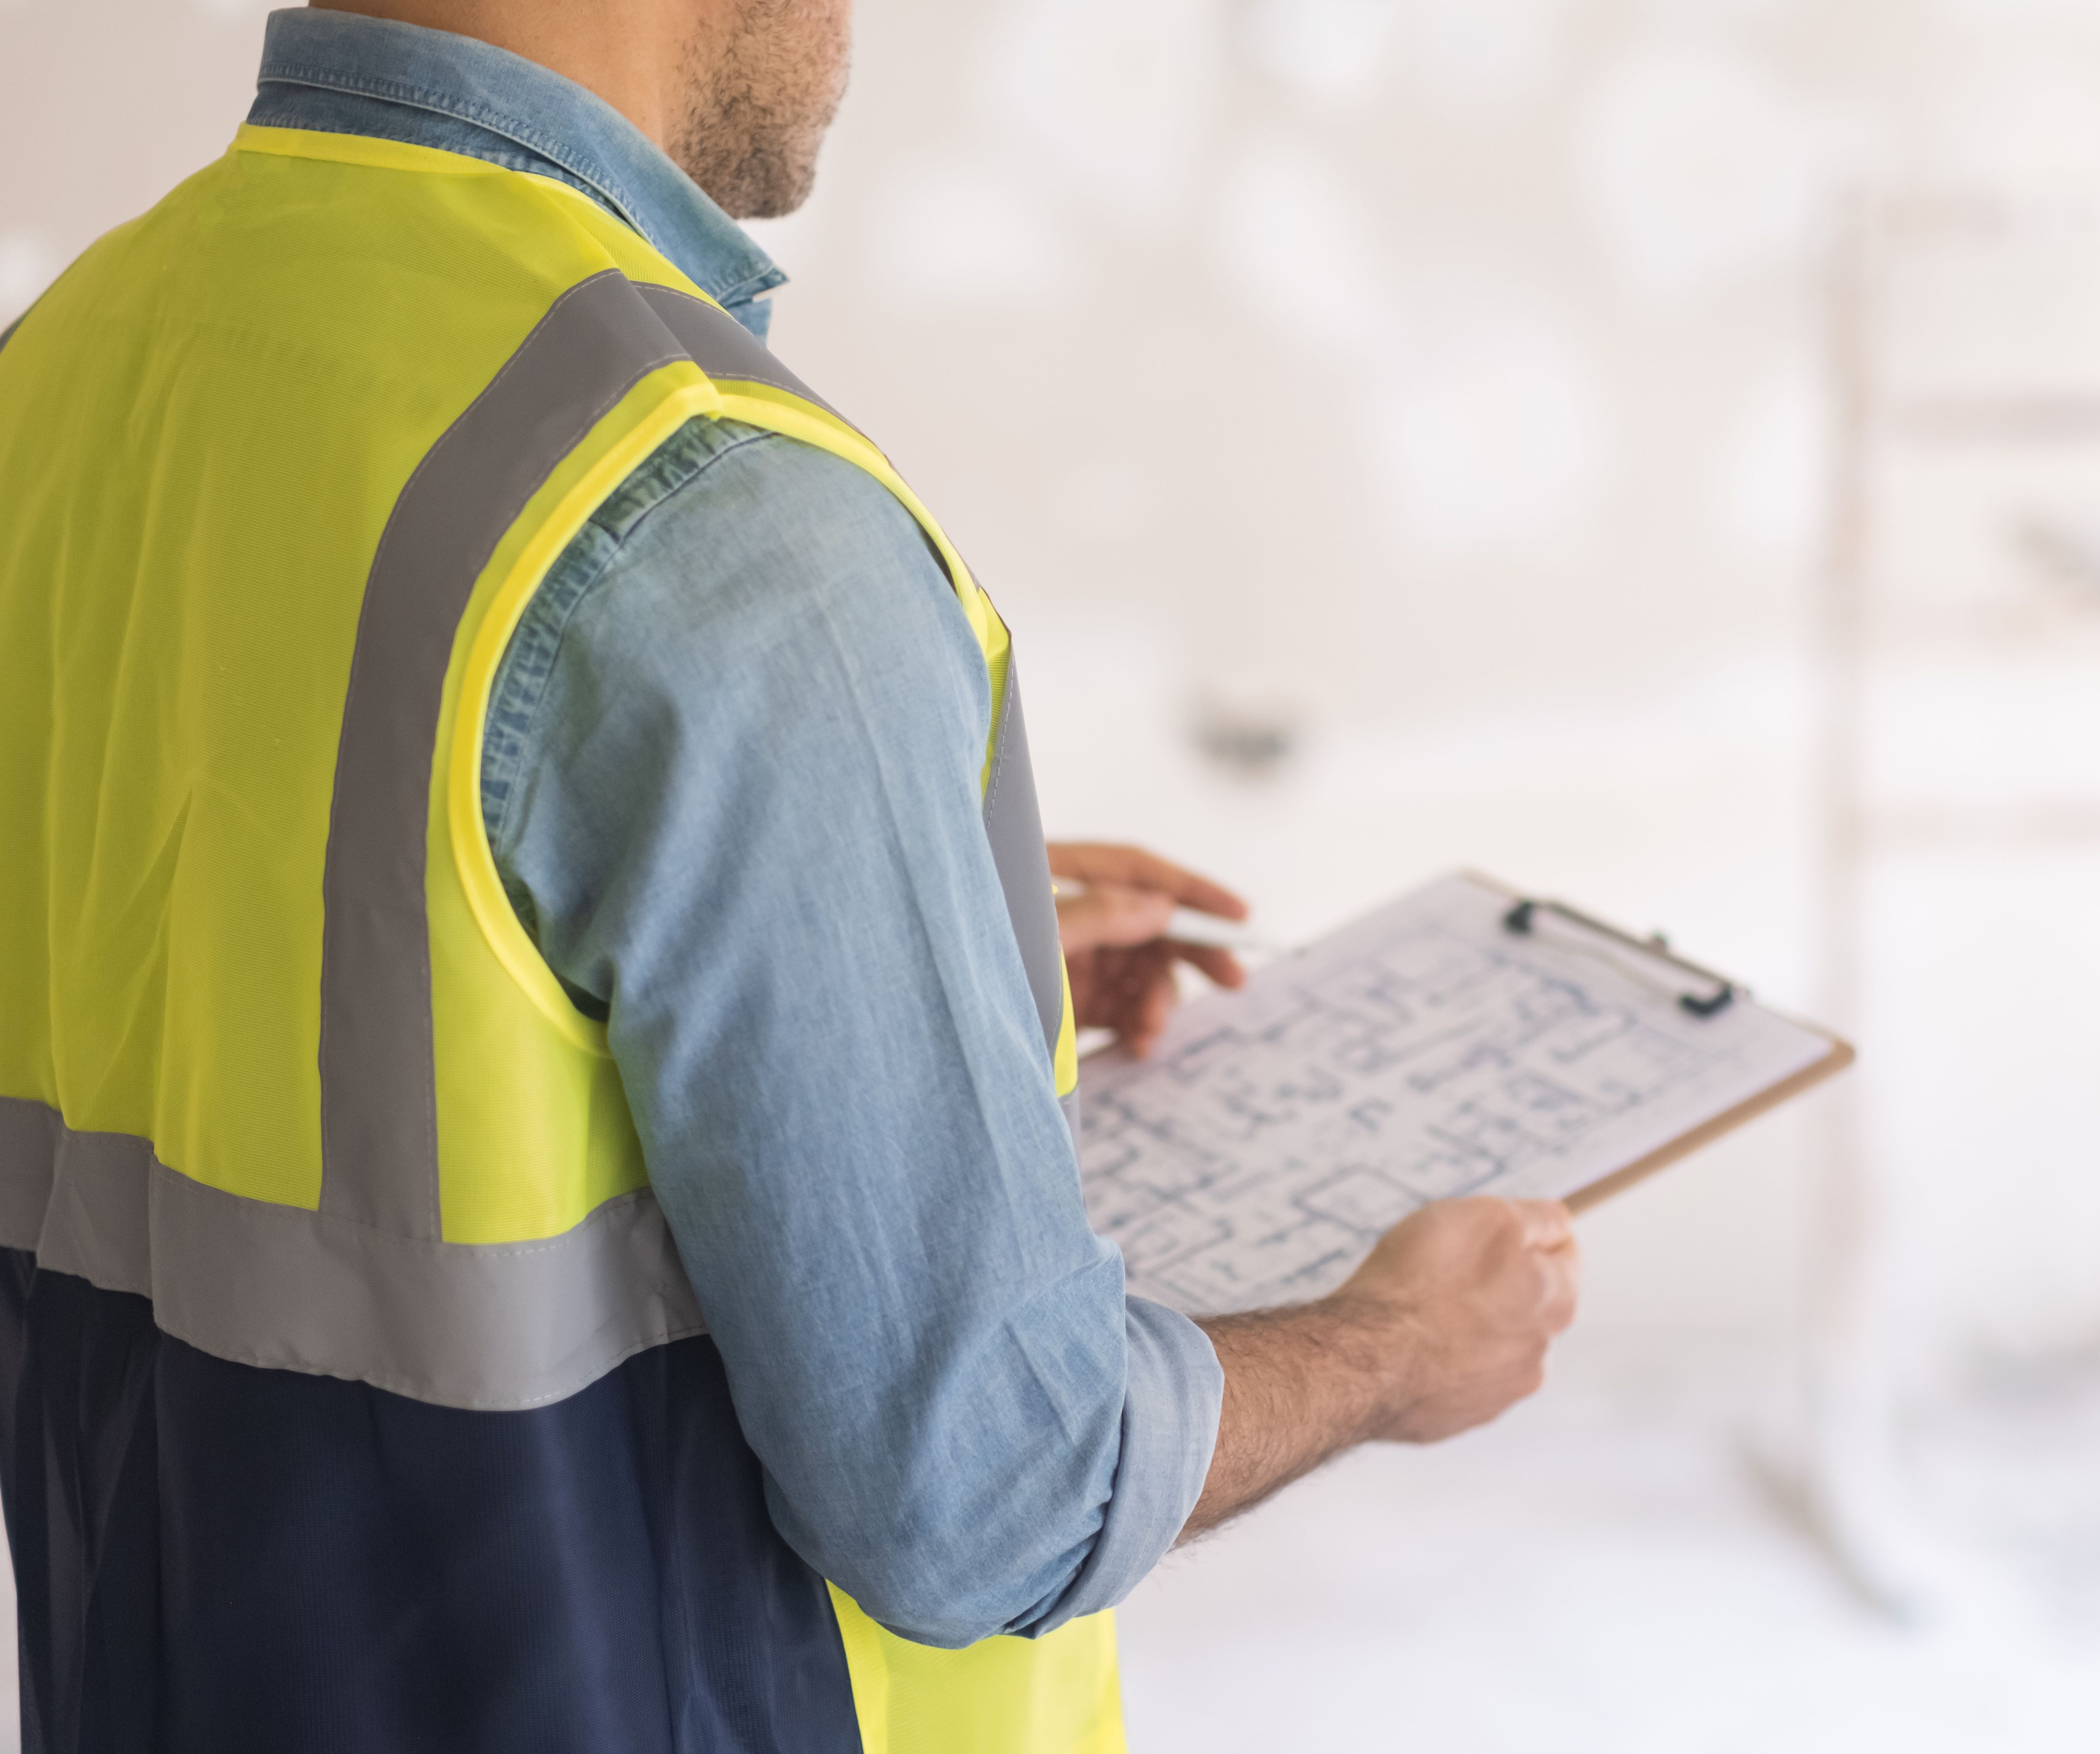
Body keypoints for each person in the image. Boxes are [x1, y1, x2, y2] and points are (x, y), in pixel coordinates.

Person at [0, 1, 1580, 1750]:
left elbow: (250, 894)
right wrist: (1388, 1348)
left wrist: (820, 907)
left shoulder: (71, 362)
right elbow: (988, 1486)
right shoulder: (714, 515)